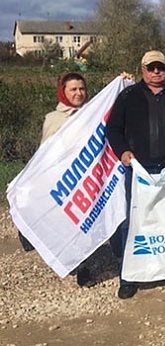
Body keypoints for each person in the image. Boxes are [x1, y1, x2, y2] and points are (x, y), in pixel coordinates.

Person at [107, 50, 165, 300]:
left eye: (160, 67)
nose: (156, 72)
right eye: (151, 67)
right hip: (139, 170)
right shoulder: (128, 96)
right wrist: (123, 152)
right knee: (133, 221)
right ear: (143, 69)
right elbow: (113, 129)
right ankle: (128, 276)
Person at [22, 73, 94, 285]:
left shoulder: (92, 113)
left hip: (86, 177)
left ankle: (84, 267)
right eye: (73, 89)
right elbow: (44, 153)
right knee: (67, 222)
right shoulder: (53, 119)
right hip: (64, 179)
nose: (78, 93)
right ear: (64, 91)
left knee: (86, 222)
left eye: (81, 89)